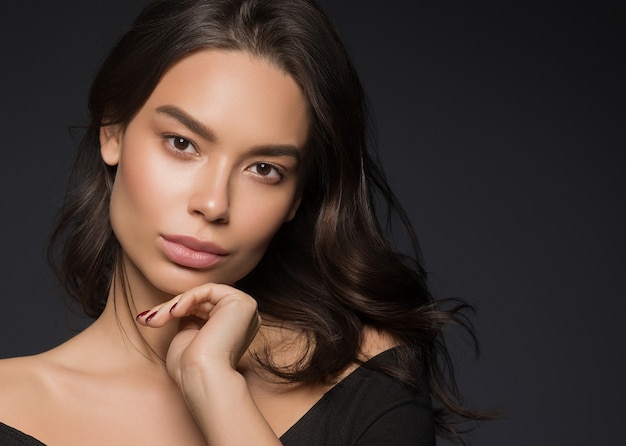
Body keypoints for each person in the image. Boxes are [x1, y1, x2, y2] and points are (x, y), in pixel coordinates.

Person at [0, 0, 491, 444]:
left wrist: (215, 388)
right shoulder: (11, 408)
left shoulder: (365, 379)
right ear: (113, 130)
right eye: (182, 143)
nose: (214, 204)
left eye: (264, 169)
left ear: (297, 197)